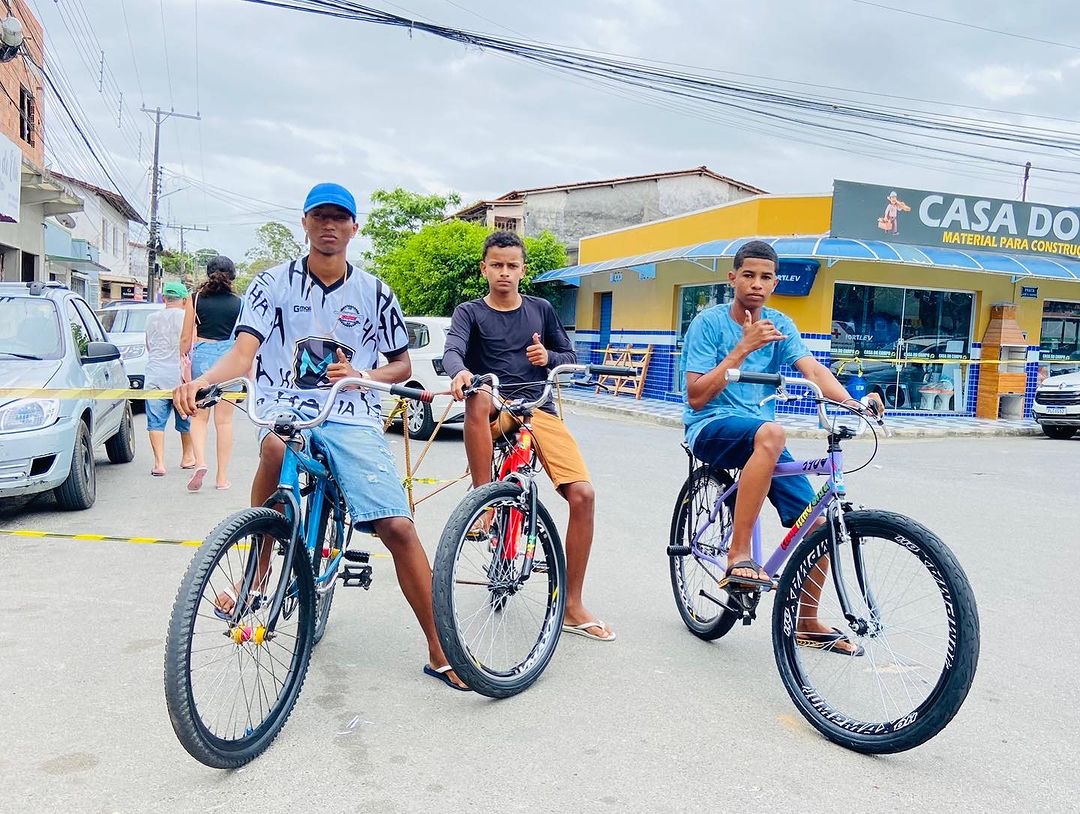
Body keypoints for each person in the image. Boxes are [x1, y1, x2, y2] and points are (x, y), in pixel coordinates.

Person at [174, 182, 469, 691]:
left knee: (397, 528)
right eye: (320, 217)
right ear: (305, 223)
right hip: (287, 409)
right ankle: (256, 580)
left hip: (352, 414)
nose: (329, 226)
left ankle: (440, 647)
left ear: (354, 228)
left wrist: (364, 375)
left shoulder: (376, 292)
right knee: (272, 446)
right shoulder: (271, 284)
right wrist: (204, 380)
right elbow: (244, 353)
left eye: (340, 218)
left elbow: (400, 364)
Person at [681, 240, 881, 656]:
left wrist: (853, 404)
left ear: (775, 282)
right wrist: (743, 348)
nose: (757, 284)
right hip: (711, 427)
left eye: (766, 277)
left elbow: (812, 369)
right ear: (732, 278)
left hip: (760, 436)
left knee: (821, 522)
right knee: (773, 432)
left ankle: (807, 620)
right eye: (748, 275)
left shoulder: (781, 325)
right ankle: (739, 555)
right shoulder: (708, 323)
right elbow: (696, 396)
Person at [443, 230, 615, 643]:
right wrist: (460, 373)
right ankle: (483, 503)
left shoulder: (540, 310)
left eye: (512, 266)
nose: (504, 272)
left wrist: (548, 357)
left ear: (523, 270)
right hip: (496, 408)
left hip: (539, 409)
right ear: (484, 268)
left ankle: (572, 605)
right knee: (478, 396)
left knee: (584, 495)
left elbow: (569, 356)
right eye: (496, 265)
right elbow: (453, 350)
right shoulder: (469, 312)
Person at [181, 255, 242, 492]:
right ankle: (222, 477)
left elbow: (186, 336)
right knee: (224, 421)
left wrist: (183, 358)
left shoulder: (195, 299)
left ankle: (200, 463)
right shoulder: (240, 303)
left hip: (203, 358)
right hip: (230, 360)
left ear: (208, 274)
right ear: (232, 276)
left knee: (199, 417)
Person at [144, 281, 195, 476]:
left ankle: (159, 463)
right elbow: (190, 346)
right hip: (179, 375)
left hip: (155, 374)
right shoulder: (186, 317)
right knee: (186, 418)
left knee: (155, 421)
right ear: (184, 300)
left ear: (164, 298)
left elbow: (148, 345)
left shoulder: (151, 318)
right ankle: (187, 457)